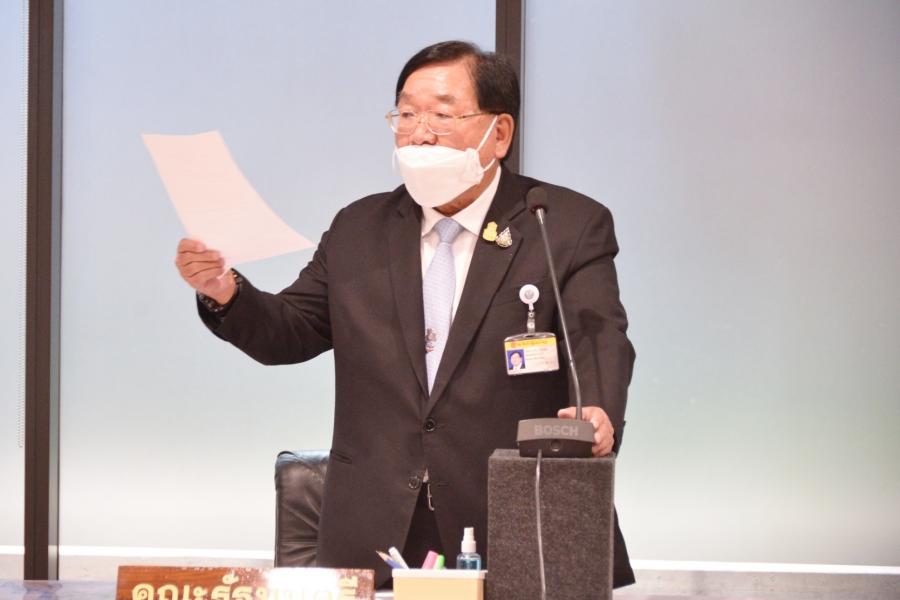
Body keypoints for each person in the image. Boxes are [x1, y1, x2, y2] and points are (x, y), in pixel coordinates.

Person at [175, 40, 635, 588]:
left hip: (517, 519)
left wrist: (597, 410)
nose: (420, 133)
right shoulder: (359, 228)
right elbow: (290, 332)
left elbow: (598, 337)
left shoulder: (559, 223)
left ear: (500, 133)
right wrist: (225, 291)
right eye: (407, 115)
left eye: (442, 115)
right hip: (376, 525)